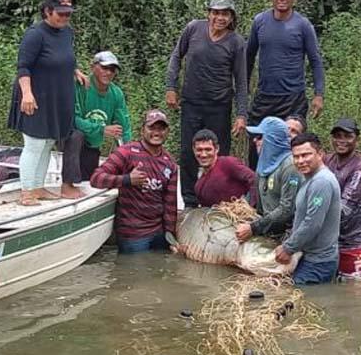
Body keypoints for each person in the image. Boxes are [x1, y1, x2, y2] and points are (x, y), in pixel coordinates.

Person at [166, 0, 248, 207]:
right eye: (216, 12)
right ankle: (190, 202)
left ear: (231, 17)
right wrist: (171, 87)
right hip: (191, 102)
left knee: (218, 156)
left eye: (225, 14)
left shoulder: (236, 42)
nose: (220, 18)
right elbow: (176, 57)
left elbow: (241, 80)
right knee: (187, 153)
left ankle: (218, 201)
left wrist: (241, 114)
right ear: (208, 13)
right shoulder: (194, 29)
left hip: (219, 106)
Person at [8, 0, 80, 206]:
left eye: (68, 13)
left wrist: (76, 71)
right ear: (47, 11)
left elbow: (65, 57)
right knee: (35, 144)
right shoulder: (35, 35)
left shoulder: (67, 33)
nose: (65, 17)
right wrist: (27, 94)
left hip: (58, 97)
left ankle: (38, 188)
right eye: (61, 13)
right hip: (36, 96)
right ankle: (26, 191)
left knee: (48, 142)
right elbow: (23, 67)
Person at [246, 0, 325, 169]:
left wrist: (319, 94)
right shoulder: (260, 22)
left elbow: (315, 60)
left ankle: (291, 189)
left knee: (293, 147)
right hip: (265, 97)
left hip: (293, 98)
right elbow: (248, 56)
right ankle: (257, 191)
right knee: (257, 144)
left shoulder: (303, 25)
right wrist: (243, 88)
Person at [90, 109, 178, 253]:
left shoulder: (170, 163)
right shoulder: (126, 152)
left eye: (161, 128)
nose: (156, 132)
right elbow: (96, 179)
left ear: (167, 131)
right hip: (133, 235)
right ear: (142, 130)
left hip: (159, 234)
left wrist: (170, 236)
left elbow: (170, 205)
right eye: (151, 128)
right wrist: (127, 179)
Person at [61, 51, 133, 198]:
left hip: (92, 144)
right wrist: (101, 129)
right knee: (77, 135)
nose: (108, 72)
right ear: (93, 67)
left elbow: (123, 126)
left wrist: (129, 156)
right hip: (68, 138)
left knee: (89, 182)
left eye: (112, 69)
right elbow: (72, 119)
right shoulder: (81, 85)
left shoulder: (116, 93)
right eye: (104, 67)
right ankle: (67, 184)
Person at [275, 133, 341, 285]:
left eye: (306, 155)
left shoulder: (321, 182)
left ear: (320, 154)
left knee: (303, 304)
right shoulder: (309, 179)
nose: (300, 161)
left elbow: (312, 223)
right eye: (296, 156)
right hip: (309, 258)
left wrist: (288, 248)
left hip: (319, 263)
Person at [324, 117, 361, 274]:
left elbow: (344, 209)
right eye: (337, 136)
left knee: (359, 293)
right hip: (329, 244)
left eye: (347, 136)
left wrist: (312, 222)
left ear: (357, 140)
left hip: (353, 244)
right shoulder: (327, 160)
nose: (341, 141)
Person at [235, 117, 302, 242]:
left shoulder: (291, 166)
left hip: (288, 237)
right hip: (267, 232)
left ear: (273, 140)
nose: (255, 140)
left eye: (260, 137)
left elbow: (286, 210)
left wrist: (253, 227)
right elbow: (259, 207)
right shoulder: (263, 166)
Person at [192, 129, 255, 207]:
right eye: (199, 150)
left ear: (217, 149)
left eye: (208, 150)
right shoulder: (199, 186)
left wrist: (249, 205)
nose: (203, 155)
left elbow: (254, 179)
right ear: (193, 150)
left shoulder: (227, 163)